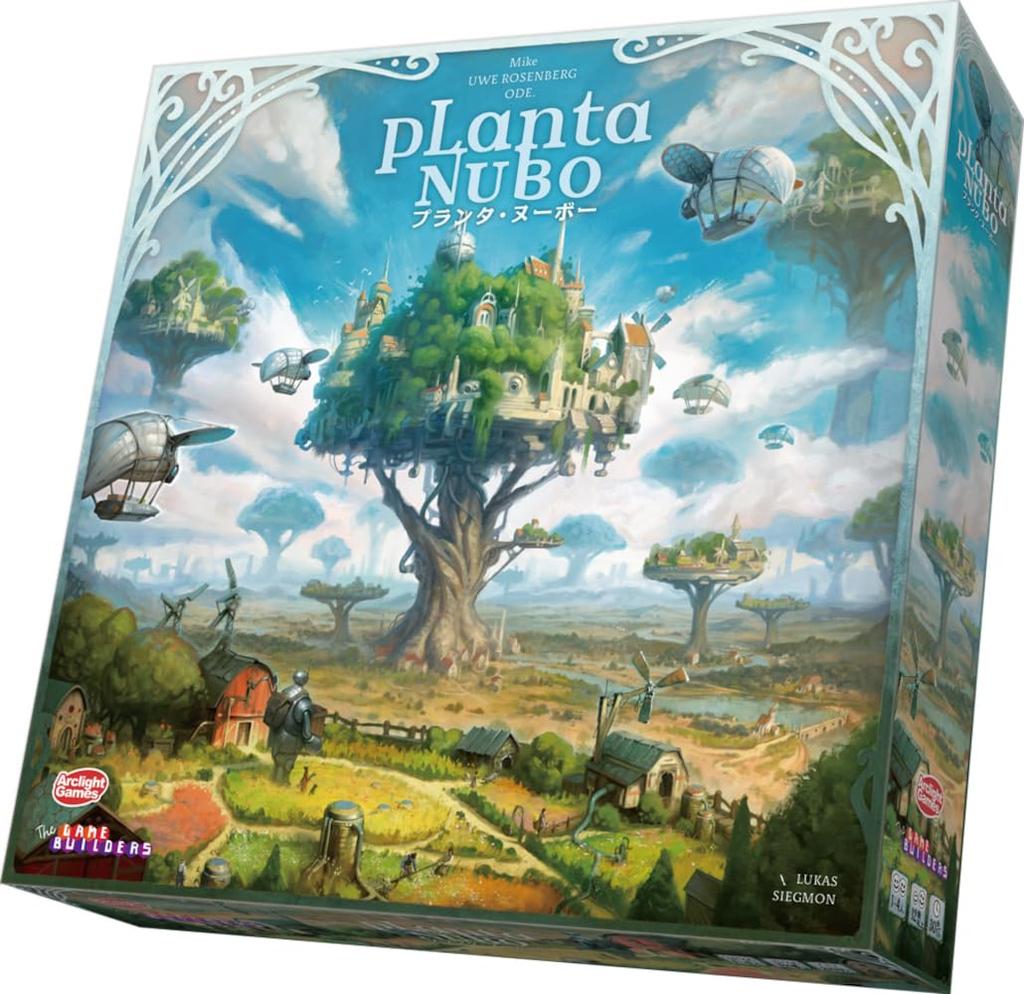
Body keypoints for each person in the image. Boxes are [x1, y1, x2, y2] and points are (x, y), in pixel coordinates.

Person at [264, 671, 323, 783]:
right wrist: (312, 741)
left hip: (277, 735)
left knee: (277, 764)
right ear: (305, 681)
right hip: (291, 739)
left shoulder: (285, 692)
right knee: (286, 765)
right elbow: (306, 731)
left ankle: (273, 783)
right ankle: (282, 786)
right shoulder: (304, 702)